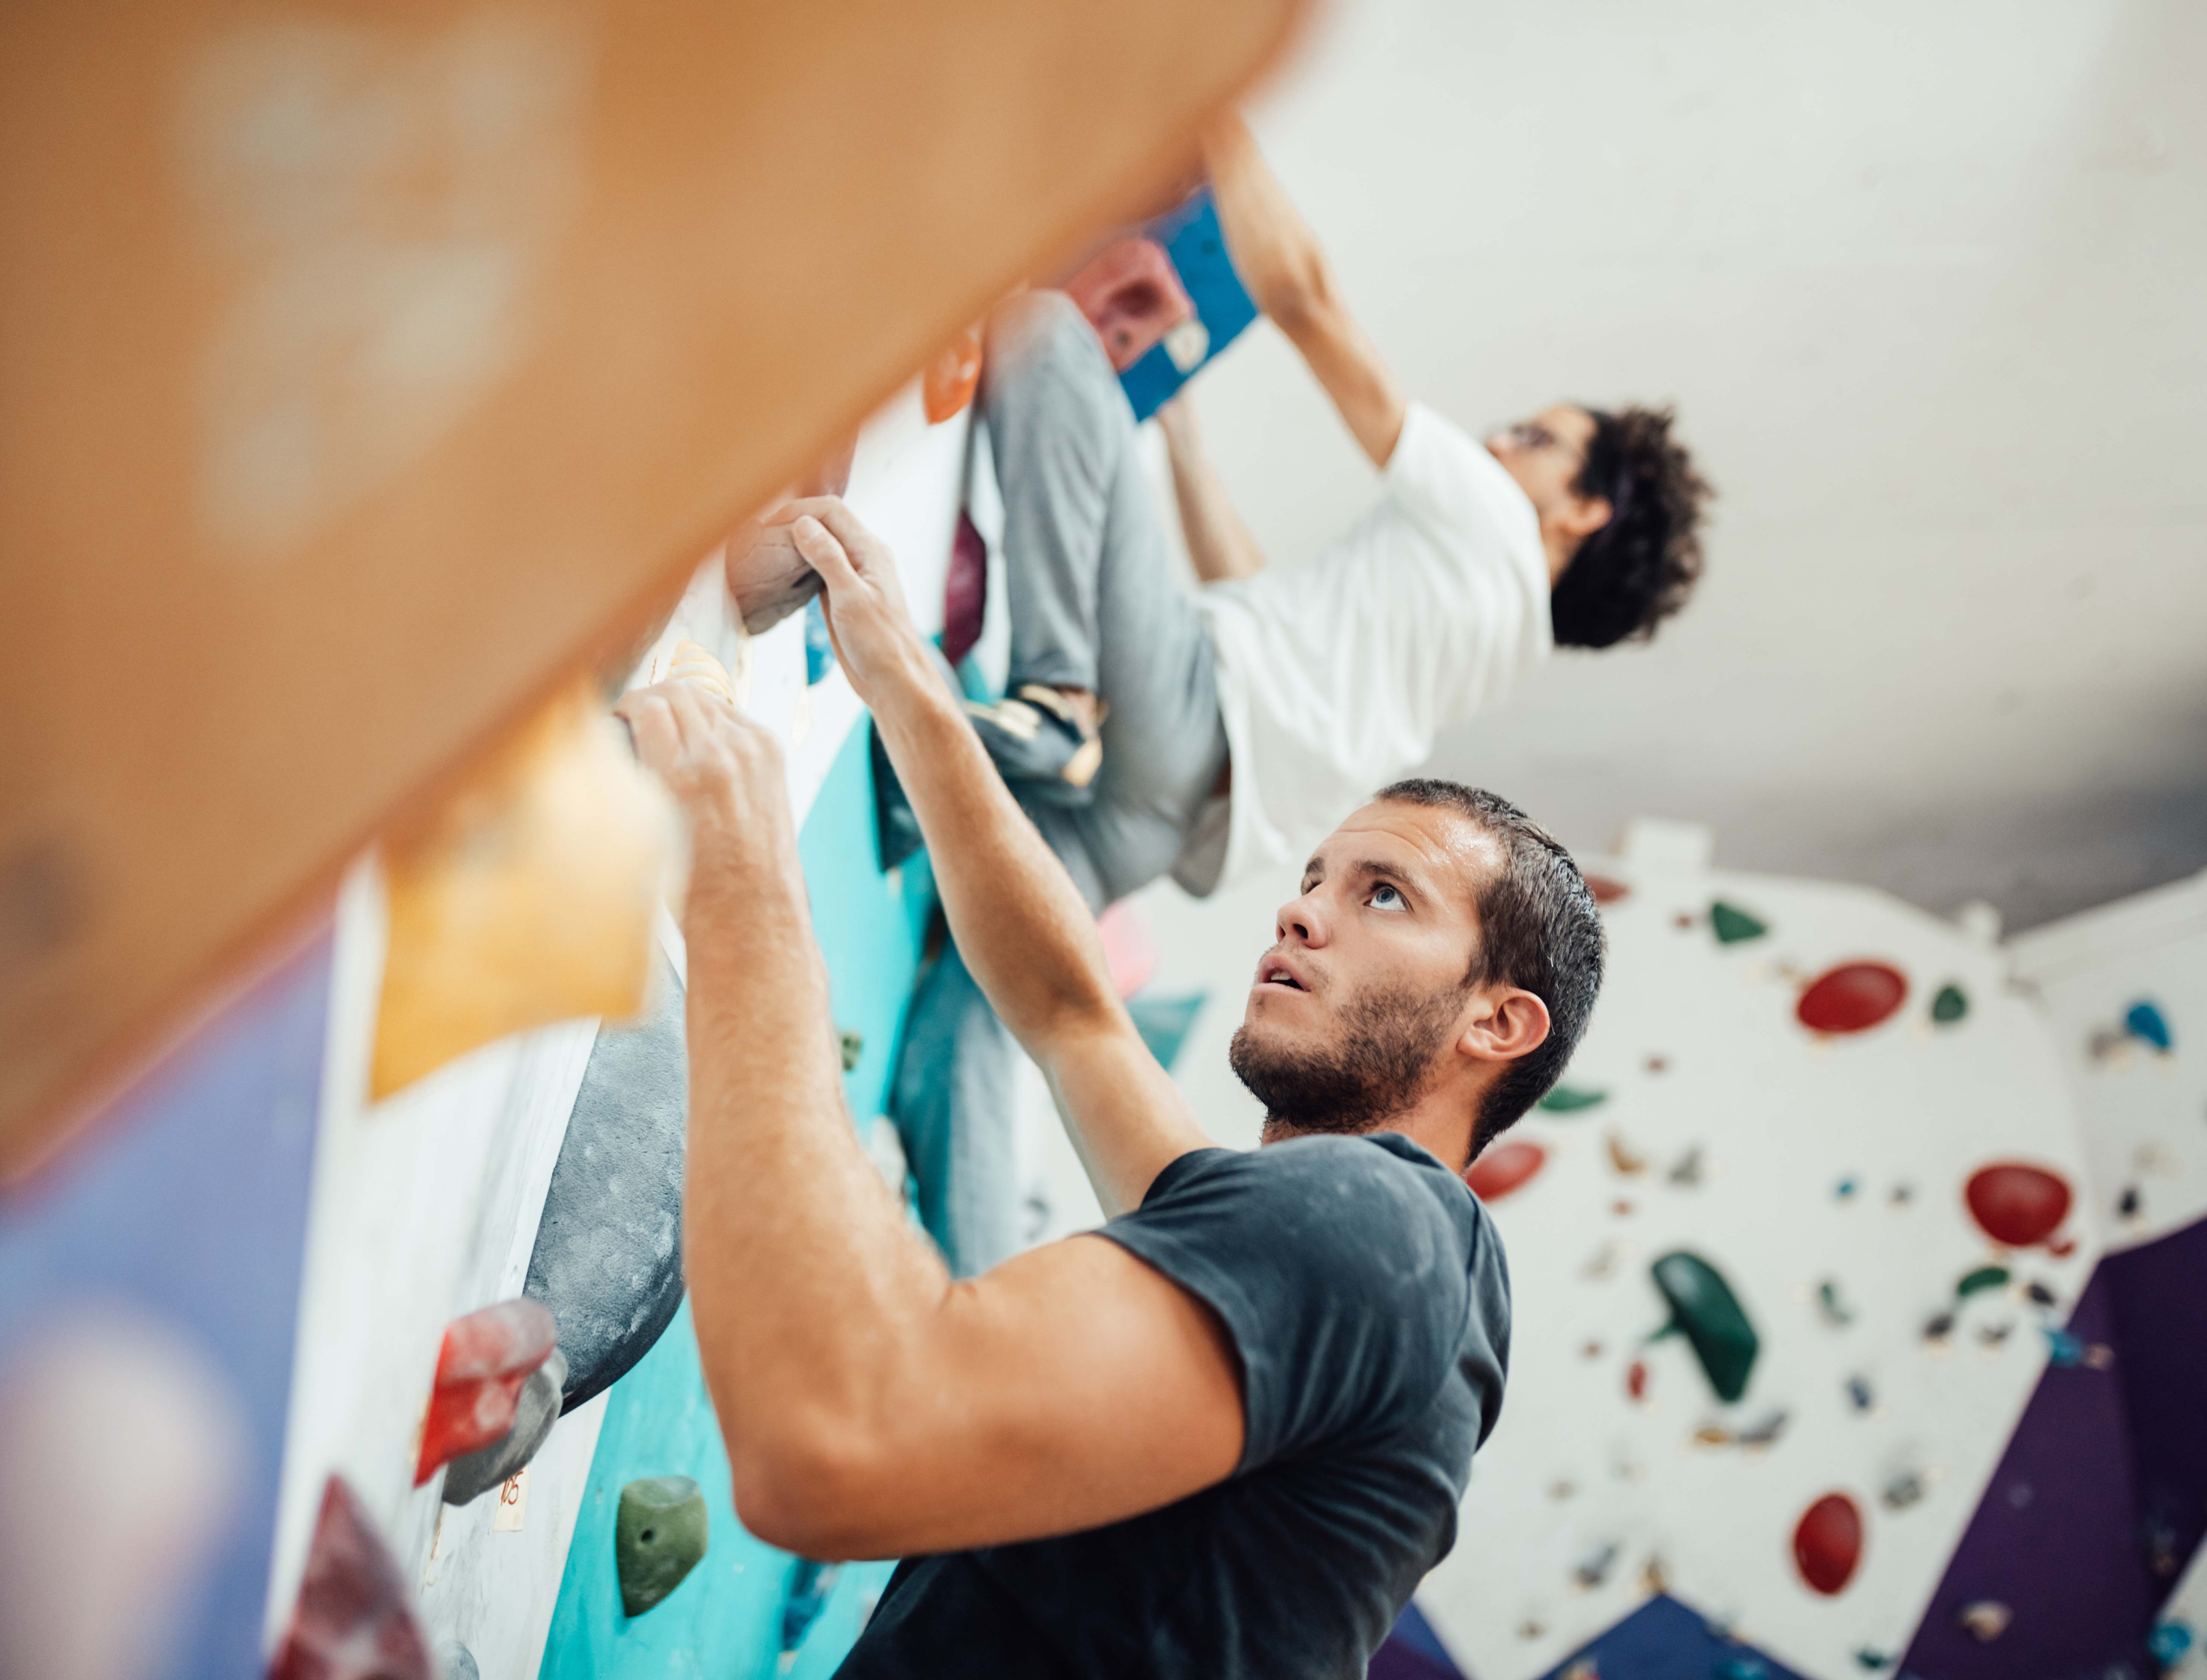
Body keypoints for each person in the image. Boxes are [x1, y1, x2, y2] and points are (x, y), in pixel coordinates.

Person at [618, 493, 1605, 1677]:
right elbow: (1070, 1011)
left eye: (1383, 895)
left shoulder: (1379, 1227)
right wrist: (907, 683)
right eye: (1315, 877)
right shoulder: (1406, 1272)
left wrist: (741, 877)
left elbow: (834, 1440)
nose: (1300, 908)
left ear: (1497, 1022)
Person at [729, 116, 1706, 1275]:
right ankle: (974, 1267)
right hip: (1184, 811)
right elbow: (1258, 597)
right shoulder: (1497, 642)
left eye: (1540, 439)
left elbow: (1307, 298)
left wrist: (1211, 105)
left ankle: (1055, 697)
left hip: (1185, 719)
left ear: (1580, 512)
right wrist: (1183, 443)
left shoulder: (1492, 517)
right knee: (989, 1004)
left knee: (1041, 333)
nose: (1503, 440)